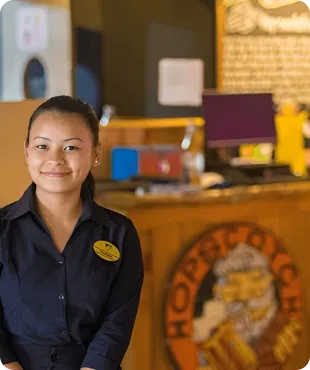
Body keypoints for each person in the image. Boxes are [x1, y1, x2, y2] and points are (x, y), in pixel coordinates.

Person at [0, 96, 144, 370]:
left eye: (71, 147)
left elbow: (117, 323)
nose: (55, 159)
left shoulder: (119, 233)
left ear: (96, 153)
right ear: (27, 152)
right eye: (42, 146)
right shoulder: (2, 228)